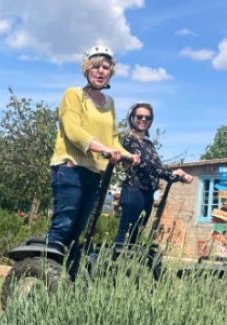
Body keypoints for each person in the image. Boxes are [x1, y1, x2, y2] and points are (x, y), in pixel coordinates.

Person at [46, 45, 139, 266]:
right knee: (64, 223)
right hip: (70, 168)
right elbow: (72, 130)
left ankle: (64, 279)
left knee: (79, 228)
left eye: (105, 67)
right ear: (87, 69)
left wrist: (128, 155)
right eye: (95, 66)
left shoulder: (109, 103)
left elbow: (113, 138)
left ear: (110, 73)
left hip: (94, 173)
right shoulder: (73, 94)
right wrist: (102, 149)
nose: (100, 71)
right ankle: (41, 274)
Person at [114, 102, 193, 246]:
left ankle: (126, 267)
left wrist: (177, 176)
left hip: (147, 193)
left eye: (147, 118)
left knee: (135, 237)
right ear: (132, 118)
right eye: (139, 116)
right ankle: (112, 266)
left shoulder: (149, 144)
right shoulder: (129, 139)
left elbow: (157, 167)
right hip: (133, 191)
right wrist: (174, 174)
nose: (143, 120)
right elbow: (147, 165)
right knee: (125, 235)